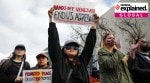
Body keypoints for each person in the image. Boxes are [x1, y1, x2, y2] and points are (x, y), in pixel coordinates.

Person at [48, 8, 98, 83]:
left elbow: (89, 45)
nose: (71, 48)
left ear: (78, 51)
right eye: (68, 47)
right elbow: (53, 41)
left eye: (75, 47)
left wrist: (94, 26)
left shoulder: (82, 62)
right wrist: (52, 21)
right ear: (63, 49)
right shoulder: (58, 60)